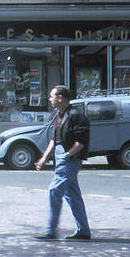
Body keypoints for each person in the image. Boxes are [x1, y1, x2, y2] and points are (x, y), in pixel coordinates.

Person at [35, 85, 91, 240]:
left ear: (60, 98)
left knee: (55, 190)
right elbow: (54, 140)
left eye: (52, 96)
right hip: (61, 156)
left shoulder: (76, 116)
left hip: (70, 158)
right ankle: (84, 231)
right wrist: (44, 158)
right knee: (72, 194)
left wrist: (68, 155)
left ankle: (50, 230)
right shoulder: (58, 115)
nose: (50, 99)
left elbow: (81, 142)